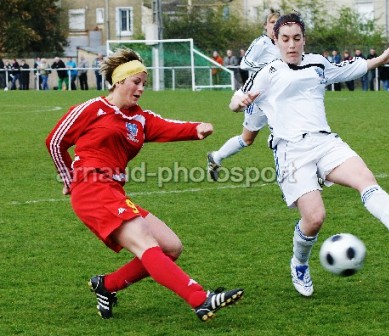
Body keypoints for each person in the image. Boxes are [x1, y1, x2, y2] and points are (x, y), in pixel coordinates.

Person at [229, 13, 389, 297]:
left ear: (304, 40)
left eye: (296, 39)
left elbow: (349, 68)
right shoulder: (267, 73)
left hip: (324, 142)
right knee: (314, 219)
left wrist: (380, 59)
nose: (291, 45)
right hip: (291, 151)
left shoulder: (317, 63)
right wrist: (241, 101)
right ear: (275, 42)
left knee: (364, 177)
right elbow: (236, 100)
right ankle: (299, 263)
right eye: (285, 39)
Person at [45, 48, 243, 321]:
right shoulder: (93, 109)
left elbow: (168, 126)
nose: (140, 89)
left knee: (171, 247)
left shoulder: (140, 119)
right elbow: (55, 142)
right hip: (92, 189)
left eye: (144, 84)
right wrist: (68, 179)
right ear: (118, 81)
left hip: (113, 191)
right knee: (146, 243)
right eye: (136, 82)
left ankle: (108, 285)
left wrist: (197, 129)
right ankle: (200, 299)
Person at [207, 11, 281, 181]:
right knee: (247, 139)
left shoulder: (284, 43)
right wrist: (268, 67)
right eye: (272, 22)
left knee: (286, 134)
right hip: (258, 97)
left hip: (277, 98)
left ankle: (297, 176)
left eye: (279, 22)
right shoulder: (262, 42)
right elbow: (244, 63)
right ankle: (216, 157)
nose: (275, 25)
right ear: (265, 25)